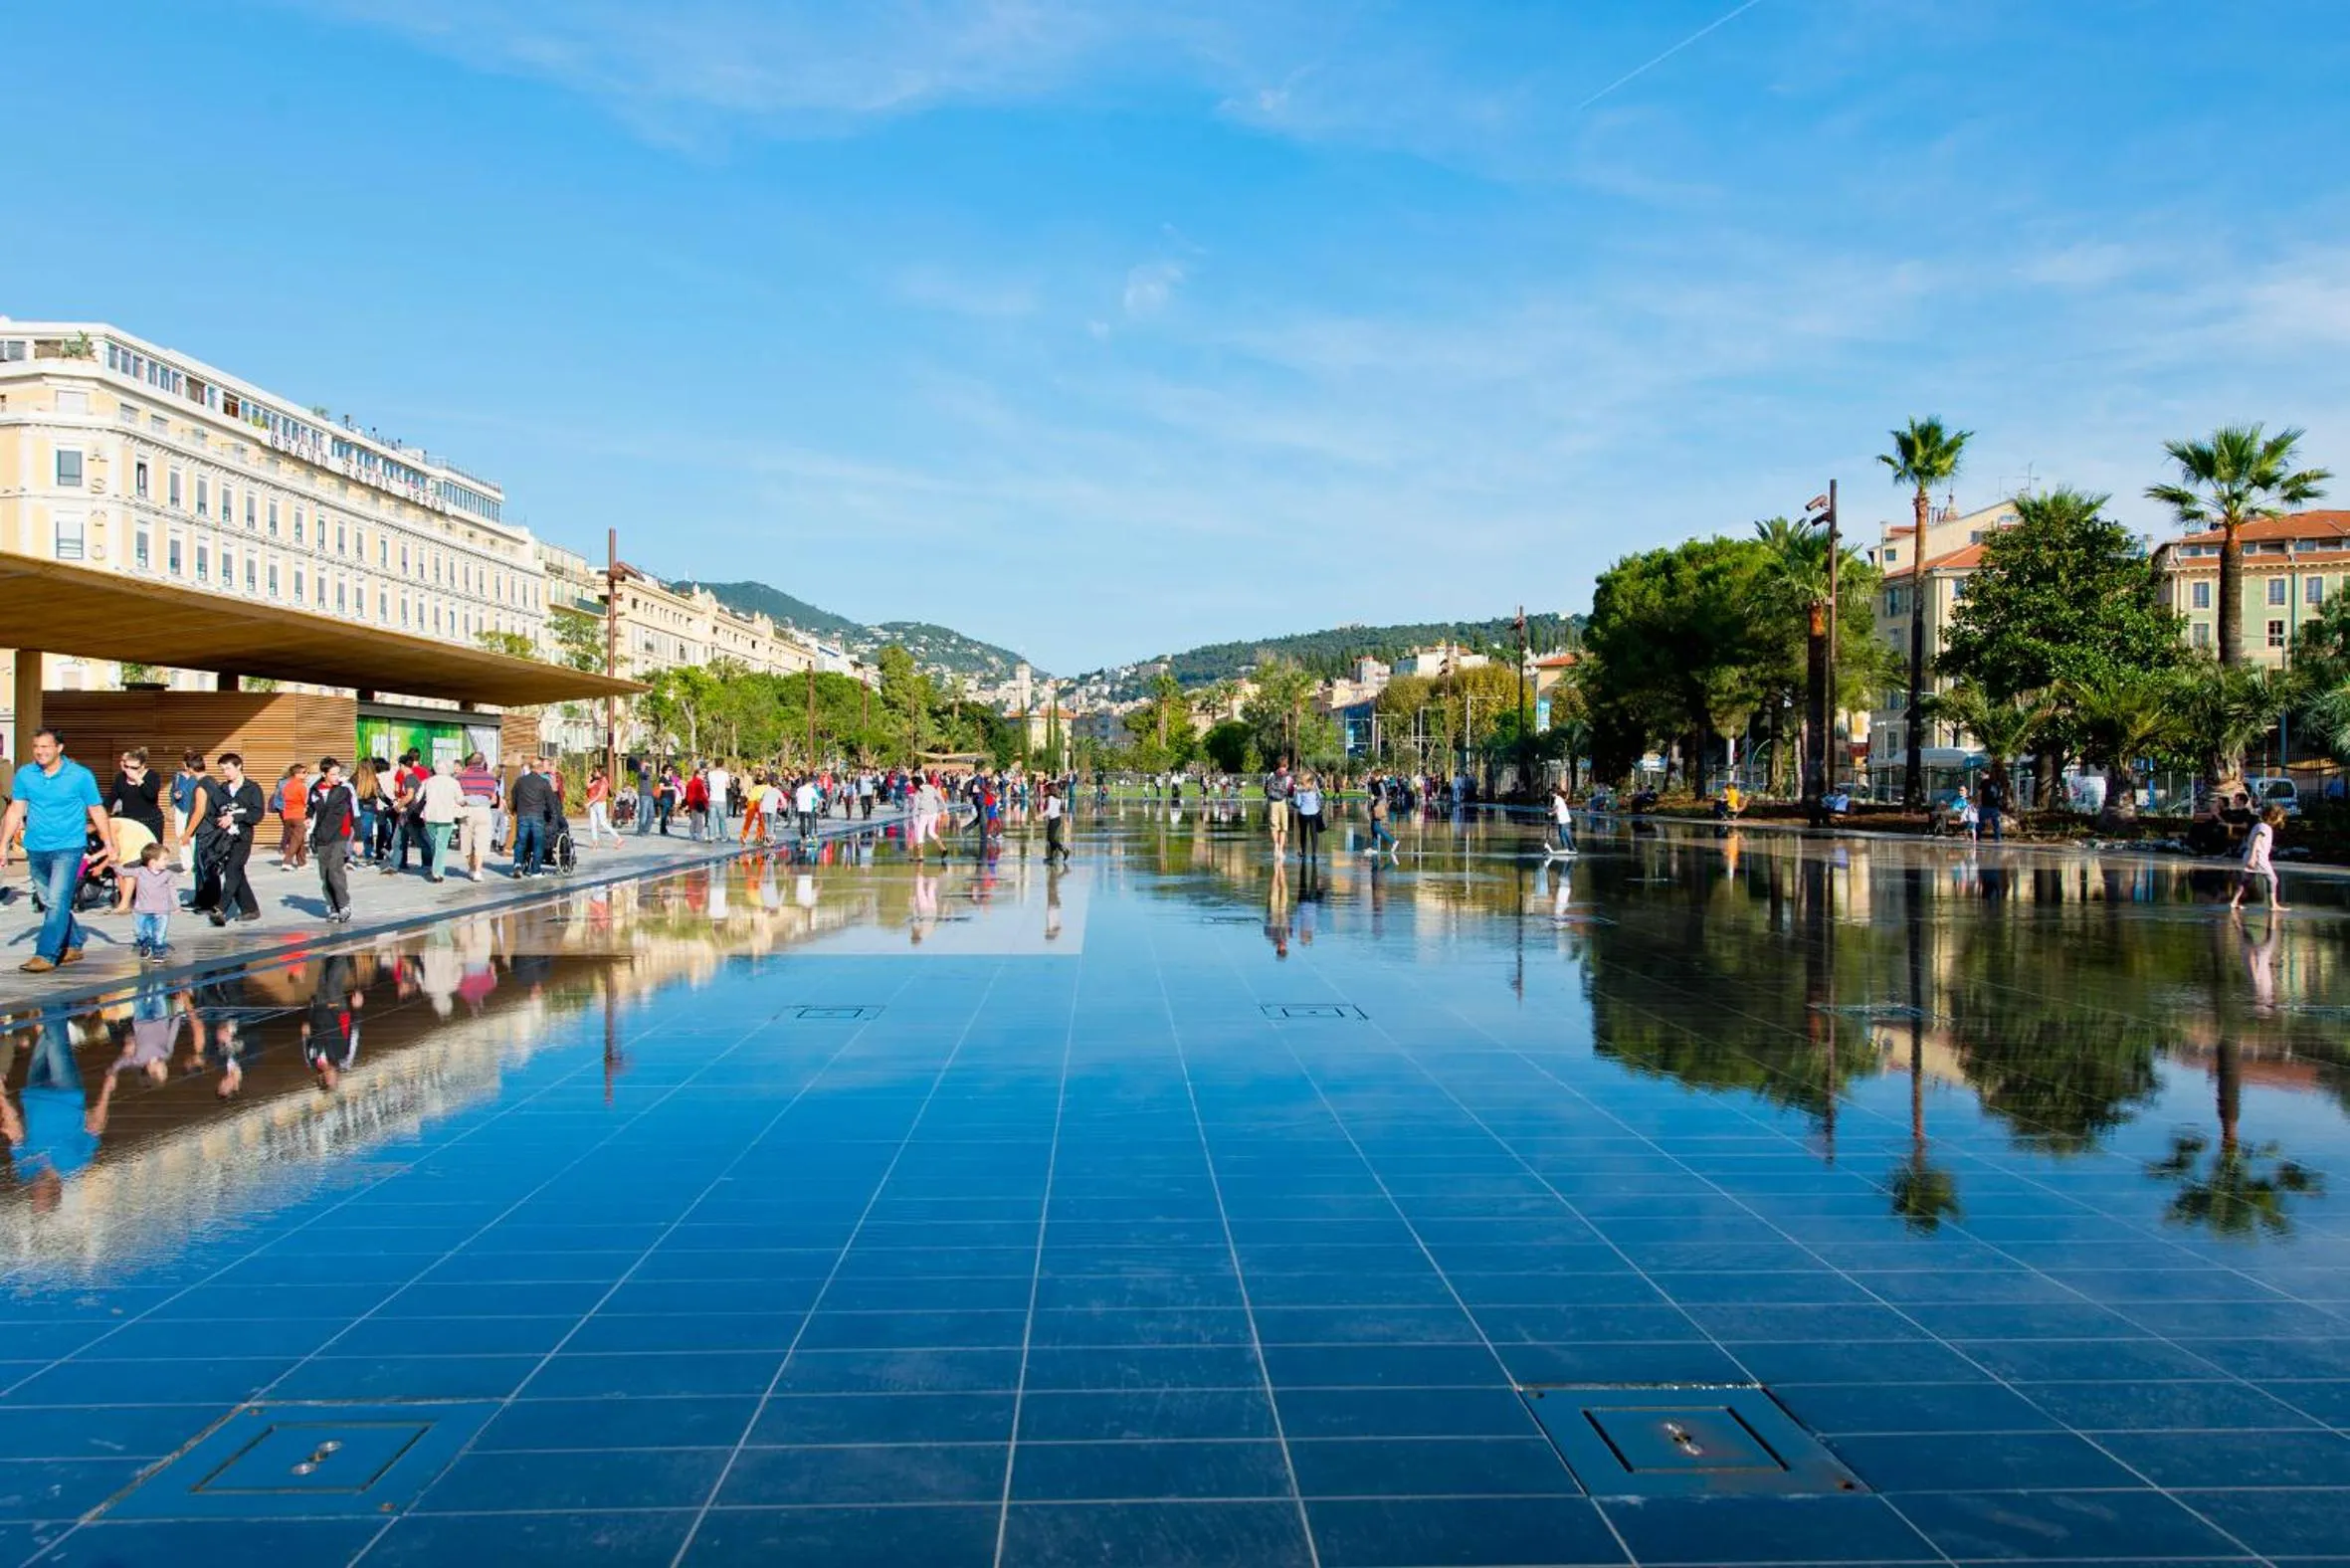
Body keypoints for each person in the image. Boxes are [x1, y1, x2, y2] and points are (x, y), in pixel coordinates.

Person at [0, 728, 113, 972]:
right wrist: (3, 845)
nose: (39, 751)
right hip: (36, 846)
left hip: (69, 847)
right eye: (36, 747)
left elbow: (96, 809)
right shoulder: (25, 774)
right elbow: (15, 810)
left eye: (45, 746)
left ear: (59, 748)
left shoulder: (80, 776)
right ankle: (73, 942)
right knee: (48, 900)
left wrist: (109, 843)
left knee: (56, 900)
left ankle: (46, 954)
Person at [199, 753, 265, 926]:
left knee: (232, 869)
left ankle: (221, 908)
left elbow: (257, 814)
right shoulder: (221, 790)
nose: (225, 772)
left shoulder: (252, 788)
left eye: (228, 768)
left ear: (239, 766)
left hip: (243, 836)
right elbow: (210, 813)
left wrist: (236, 817)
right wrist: (220, 820)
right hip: (224, 837)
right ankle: (250, 909)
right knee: (235, 872)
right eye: (222, 770)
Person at [308, 757, 357, 923]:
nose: (337, 777)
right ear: (324, 774)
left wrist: (358, 838)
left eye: (338, 774)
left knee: (335, 869)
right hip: (322, 835)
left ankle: (344, 904)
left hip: (340, 835)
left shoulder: (345, 790)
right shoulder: (315, 790)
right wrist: (308, 817)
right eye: (333, 774)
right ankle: (333, 906)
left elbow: (354, 812)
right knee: (325, 874)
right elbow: (310, 808)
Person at [125, 842, 180, 958]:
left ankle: (159, 952)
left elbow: (172, 890)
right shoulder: (140, 871)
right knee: (140, 932)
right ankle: (146, 945)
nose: (168, 862)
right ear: (152, 862)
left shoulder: (168, 874)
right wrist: (113, 863)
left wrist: (176, 905)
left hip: (161, 909)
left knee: (159, 933)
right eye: (164, 859)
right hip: (142, 909)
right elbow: (123, 871)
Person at [2230, 805, 2289, 912]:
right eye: (2281, 817)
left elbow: (2257, 841)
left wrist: (2268, 847)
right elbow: (2257, 840)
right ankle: (2273, 905)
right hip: (2258, 857)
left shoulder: (2258, 825)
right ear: (2274, 816)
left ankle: (2234, 902)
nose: (2281, 820)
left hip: (2250, 854)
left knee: (2246, 880)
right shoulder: (2265, 827)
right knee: (2273, 879)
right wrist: (2253, 857)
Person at [455, 751, 501, 881]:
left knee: (466, 841)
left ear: (470, 762)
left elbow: (457, 797)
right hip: (484, 811)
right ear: (482, 762)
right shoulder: (490, 778)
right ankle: (478, 871)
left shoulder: (461, 777)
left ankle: (471, 868)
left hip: (467, 810)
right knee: (482, 841)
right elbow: (493, 800)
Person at [508, 757, 558, 878]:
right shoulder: (544, 783)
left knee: (521, 841)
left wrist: (514, 809)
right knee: (538, 843)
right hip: (537, 815)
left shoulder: (520, 781)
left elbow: (514, 795)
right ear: (539, 768)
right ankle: (536, 870)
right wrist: (553, 815)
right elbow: (550, 801)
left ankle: (518, 865)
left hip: (523, 814)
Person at [419, 760, 464, 882]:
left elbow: (418, 798)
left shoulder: (427, 781)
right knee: (441, 845)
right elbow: (460, 800)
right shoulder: (454, 782)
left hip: (429, 816)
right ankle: (437, 872)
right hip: (446, 816)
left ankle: (435, 867)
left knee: (435, 843)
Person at [169, 751, 206, 873]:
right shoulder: (177, 776)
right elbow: (172, 791)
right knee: (181, 836)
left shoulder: (197, 776)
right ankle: (187, 865)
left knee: (194, 837)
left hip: (194, 809)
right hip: (180, 809)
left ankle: (197, 864)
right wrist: (174, 799)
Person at [584, 768, 619, 848]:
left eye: (596, 771)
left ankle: (618, 838)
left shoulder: (604, 782)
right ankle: (595, 841)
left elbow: (599, 795)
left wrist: (589, 803)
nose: (594, 773)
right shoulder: (597, 780)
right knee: (593, 823)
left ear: (600, 773)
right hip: (594, 803)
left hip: (600, 804)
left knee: (603, 823)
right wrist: (589, 777)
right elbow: (588, 786)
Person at [1264, 761, 1293, 853]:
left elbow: (1265, 790)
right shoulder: (1288, 777)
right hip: (1283, 802)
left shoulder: (1271, 775)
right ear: (1286, 765)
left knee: (1274, 826)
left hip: (1272, 802)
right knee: (1284, 827)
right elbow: (1291, 793)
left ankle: (1276, 845)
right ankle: (1280, 849)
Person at [1294, 772, 1325, 858]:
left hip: (1303, 814)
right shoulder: (1315, 789)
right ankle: (1314, 853)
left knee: (1303, 833)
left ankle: (1304, 852)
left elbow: (1297, 803)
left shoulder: (1300, 790)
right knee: (1314, 833)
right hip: (1314, 813)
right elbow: (1321, 797)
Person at [1978, 771, 2009, 843]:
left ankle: (1977, 837)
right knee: (1996, 823)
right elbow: (2000, 793)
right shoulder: (1997, 783)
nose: (1981, 776)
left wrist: (1979, 802)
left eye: (1982, 775)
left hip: (1985, 806)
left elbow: (1979, 793)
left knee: (1980, 822)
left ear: (1987, 775)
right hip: (1994, 806)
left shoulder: (1983, 782)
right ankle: (1997, 838)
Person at [1043, 781, 1069, 864]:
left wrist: (1039, 816)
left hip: (1054, 820)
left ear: (1049, 790)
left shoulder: (1051, 798)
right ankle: (1051, 856)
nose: (1044, 791)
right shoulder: (1055, 797)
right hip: (1055, 819)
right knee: (1050, 839)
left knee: (1051, 838)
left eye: (1045, 789)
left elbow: (1049, 811)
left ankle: (1064, 849)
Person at [1549, 780, 1577, 857]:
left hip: (1564, 820)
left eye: (1551, 793)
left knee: (1563, 834)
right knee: (1564, 834)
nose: (1550, 794)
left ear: (1554, 793)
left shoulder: (1557, 799)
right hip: (1563, 820)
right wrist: (1550, 809)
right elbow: (1554, 808)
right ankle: (1571, 848)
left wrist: (1551, 813)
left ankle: (1568, 848)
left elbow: (1556, 809)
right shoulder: (1558, 799)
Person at [685, 765, 711, 843]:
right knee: (700, 820)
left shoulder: (690, 783)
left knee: (693, 820)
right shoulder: (699, 783)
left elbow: (687, 794)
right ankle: (699, 834)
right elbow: (702, 794)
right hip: (700, 803)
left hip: (692, 803)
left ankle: (692, 834)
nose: (704, 776)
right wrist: (706, 802)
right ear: (697, 774)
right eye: (702, 774)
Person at [635, 757, 656, 836]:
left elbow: (650, 775)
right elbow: (644, 774)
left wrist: (649, 767)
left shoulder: (648, 773)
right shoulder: (640, 773)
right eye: (643, 765)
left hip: (650, 795)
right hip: (643, 795)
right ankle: (640, 831)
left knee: (651, 814)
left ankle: (646, 830)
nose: (646, 766)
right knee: (644, 814)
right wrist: (643, 766)